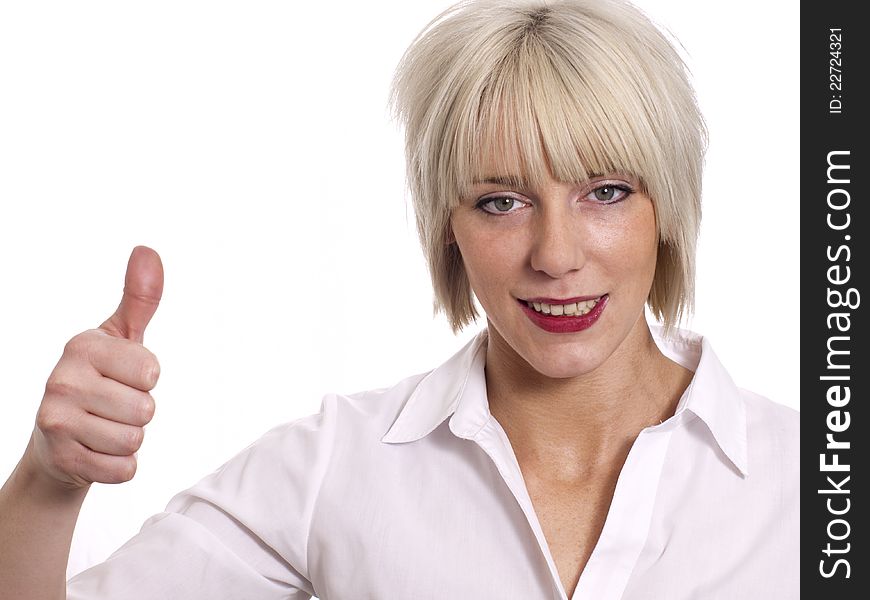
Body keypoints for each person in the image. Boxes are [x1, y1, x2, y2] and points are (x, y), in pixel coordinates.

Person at [0, 0, 799, 598]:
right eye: (501, 201)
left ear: (668, 210)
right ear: (446, 226)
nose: (556, 255)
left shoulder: (814, 483)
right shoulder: (337, 468)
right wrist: (48, 481)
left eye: (606, 191)